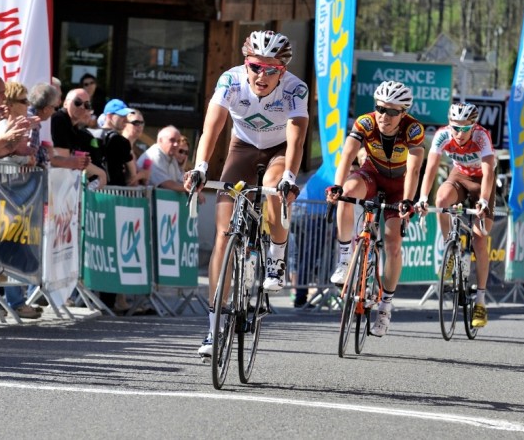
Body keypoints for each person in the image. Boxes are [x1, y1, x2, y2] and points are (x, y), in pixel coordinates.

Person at [184, 30, 308, 357]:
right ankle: (213, 327)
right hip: (242, 147)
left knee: (274, 189)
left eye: (271, 70)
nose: (261, 76)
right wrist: (200, 167)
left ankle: (277, 257)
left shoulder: (295, 88)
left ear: (283, 70)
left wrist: (290, 177)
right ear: (246, 63)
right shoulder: (231, 80)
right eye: (255, 67)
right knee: (223, 236)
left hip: (280, 150)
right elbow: (212, 127)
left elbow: (297, 138)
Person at [325, 81, 424, 336]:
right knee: (347, 193)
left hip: (399, 185)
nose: (384, 116)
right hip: (372, 174)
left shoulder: (413, 129)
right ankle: (345, 259)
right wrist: (337, 185)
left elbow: (414, 169)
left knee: (393, 243)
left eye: (392, 111)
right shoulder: (365, 122)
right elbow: (347, 155)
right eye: (380, 108)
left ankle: (385, 306)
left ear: (403, 113)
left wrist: (408, 200)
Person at [416, 102, 497, 328]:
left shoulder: (481, 137)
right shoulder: (442, 135)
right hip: (460, 175)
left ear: (473, 126)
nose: (459, 133)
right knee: (441, 200)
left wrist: (483, 201)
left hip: (482, 182)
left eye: (465, 128)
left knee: (480, 238)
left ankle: (480, 301)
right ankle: (450, 248)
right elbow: (431, 168)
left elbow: (488, 173)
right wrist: (422, 197)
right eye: (455, 127)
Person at [51, 88, 107, 188]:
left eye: (87, 105)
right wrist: (100, 173)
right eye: (77, 102)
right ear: (65, 103)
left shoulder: (75, 128)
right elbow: (64, 159)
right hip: (51, 184)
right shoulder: (59, 119)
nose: (82, 107)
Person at [139, 126, 186, 191]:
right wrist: (191, 188)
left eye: (178, 141)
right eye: (172, 140)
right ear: (160, 140)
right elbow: (167, 185)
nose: (176, 144)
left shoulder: (171, 156)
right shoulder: (154, 155)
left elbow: (180, 180)